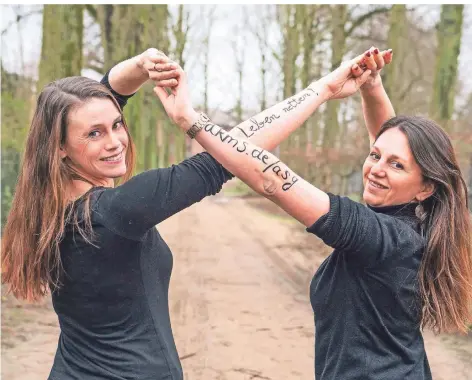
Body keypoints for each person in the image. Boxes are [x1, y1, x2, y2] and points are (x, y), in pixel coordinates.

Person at [1, 47, 390, 380]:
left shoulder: (50, 208)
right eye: (95, 134)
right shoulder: (113, 213)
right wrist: (321, 90)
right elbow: (228, 154)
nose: (116, 141)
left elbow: (100, 94)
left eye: (116, 124)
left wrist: (140, 65)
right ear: (60, 149)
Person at [154, 46, 472, 380]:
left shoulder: (383, 236)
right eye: (374, 155)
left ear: (425, 187)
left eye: (396, 165)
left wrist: (190, 120)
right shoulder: (414, 222)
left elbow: (271, 180)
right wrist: (372, 86)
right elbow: (391, 141)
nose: (376, 169)